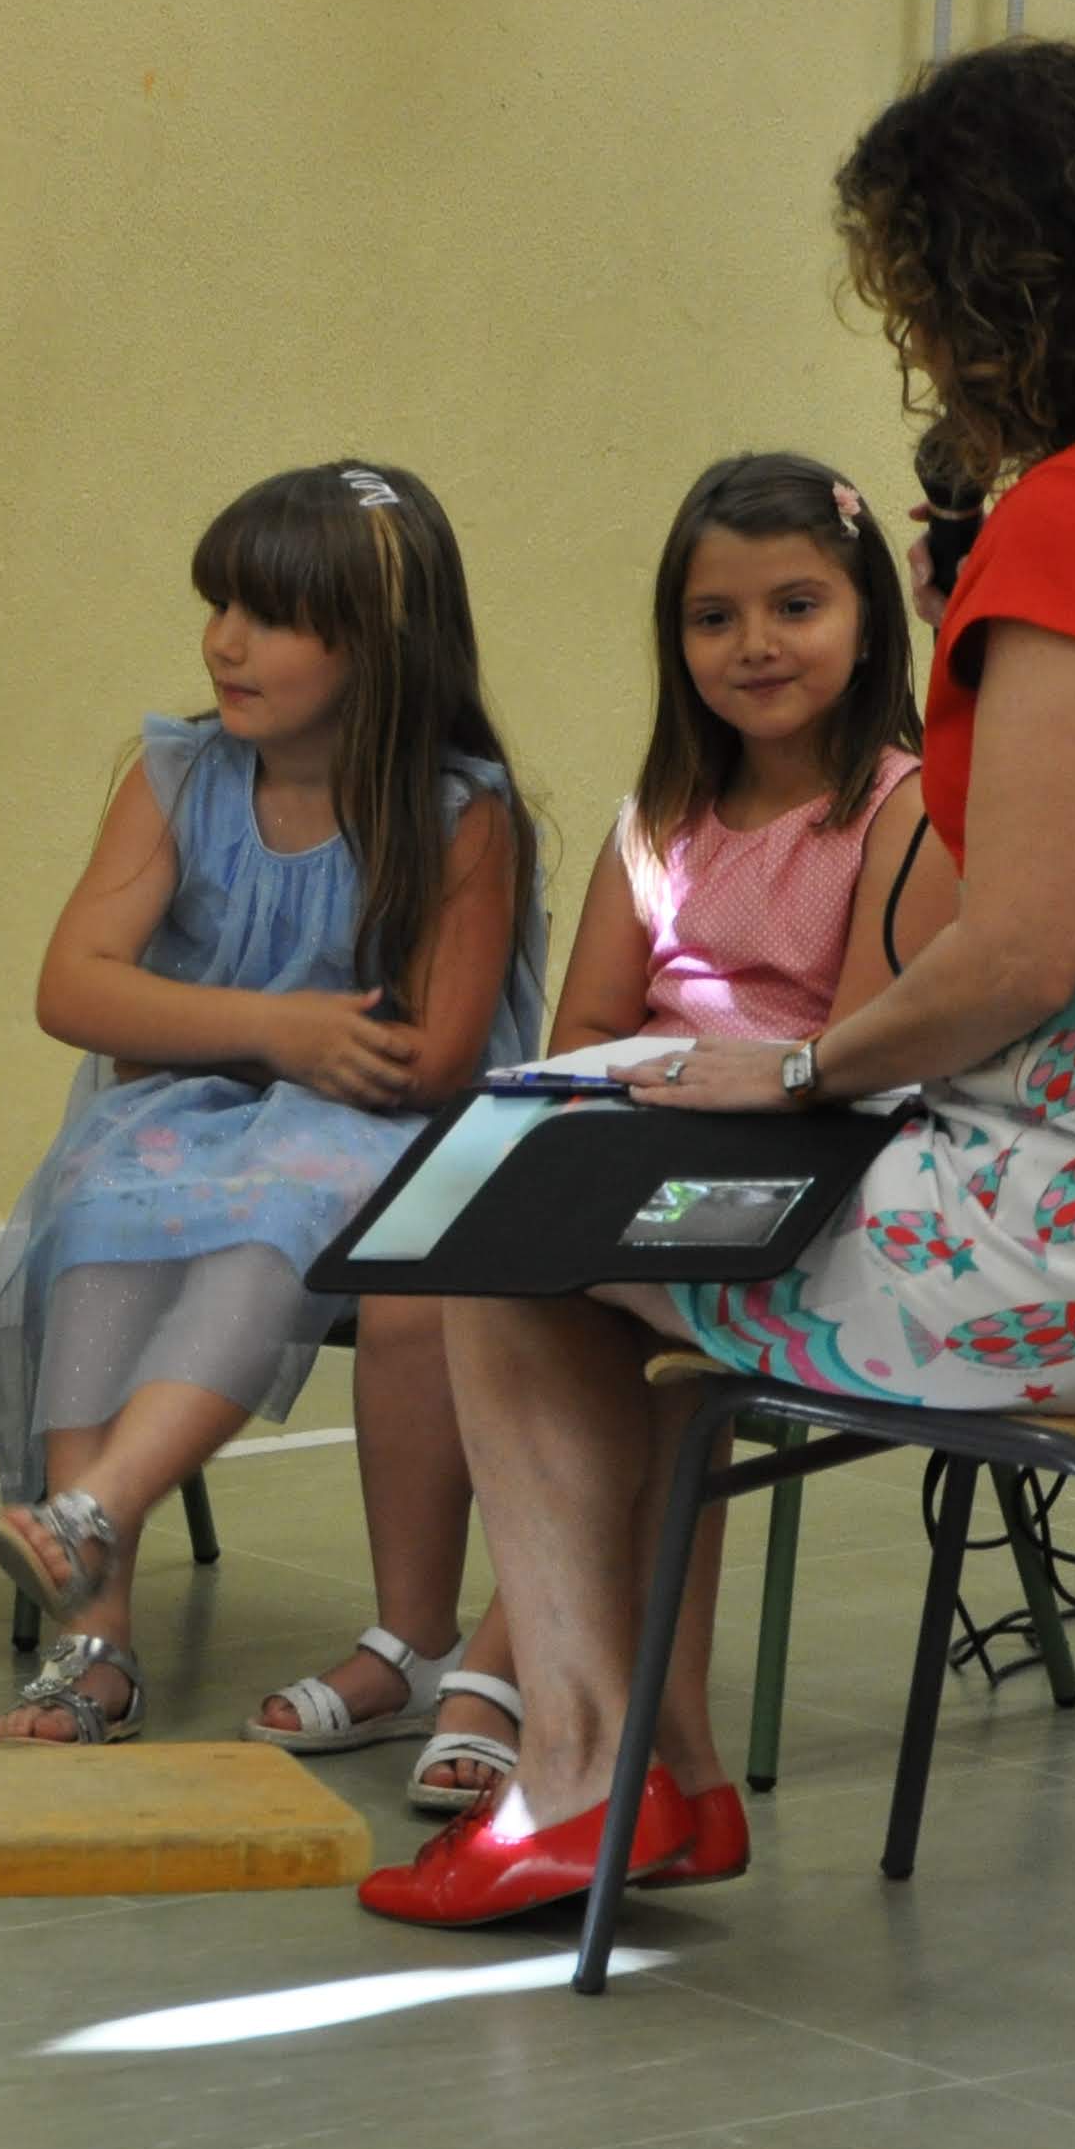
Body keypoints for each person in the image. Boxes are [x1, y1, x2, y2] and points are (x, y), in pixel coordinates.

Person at [387, 38, 1075, 1928]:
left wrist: (799, 1070)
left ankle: (589, 1777)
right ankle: (650, 1772)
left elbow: (1015, 954)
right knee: (616, 1225)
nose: (925, 351)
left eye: (918, 301)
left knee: (514, 1220)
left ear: (985, 284)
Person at [410, 454, 927, 1867]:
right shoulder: (657, 821)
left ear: (867, 619)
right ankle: (665, 1768)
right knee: (493, 1246)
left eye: (796, 606)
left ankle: (596, 1755)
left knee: (529, 1289)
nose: (755, 644)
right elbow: (586, 1029)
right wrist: (625, 1110)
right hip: (654, 1142)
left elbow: (868, 1054)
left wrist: (723, 1096)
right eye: (714, 617)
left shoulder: (900, 810)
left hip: (807, 1168)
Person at [0, 461, 547, 1749]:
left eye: (273, 617)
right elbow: (73, 986)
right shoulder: (175, 777)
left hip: (375, 1135)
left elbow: (433, 1058)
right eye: (220, 604)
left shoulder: (458, 816)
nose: (225, 642)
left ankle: (93, 1509)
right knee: (95, 1202)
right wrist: (273, 1028)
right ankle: (93, 1644)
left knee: (268, 1218)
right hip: (205, 1107)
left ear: (381, 646)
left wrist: (254, 1045)